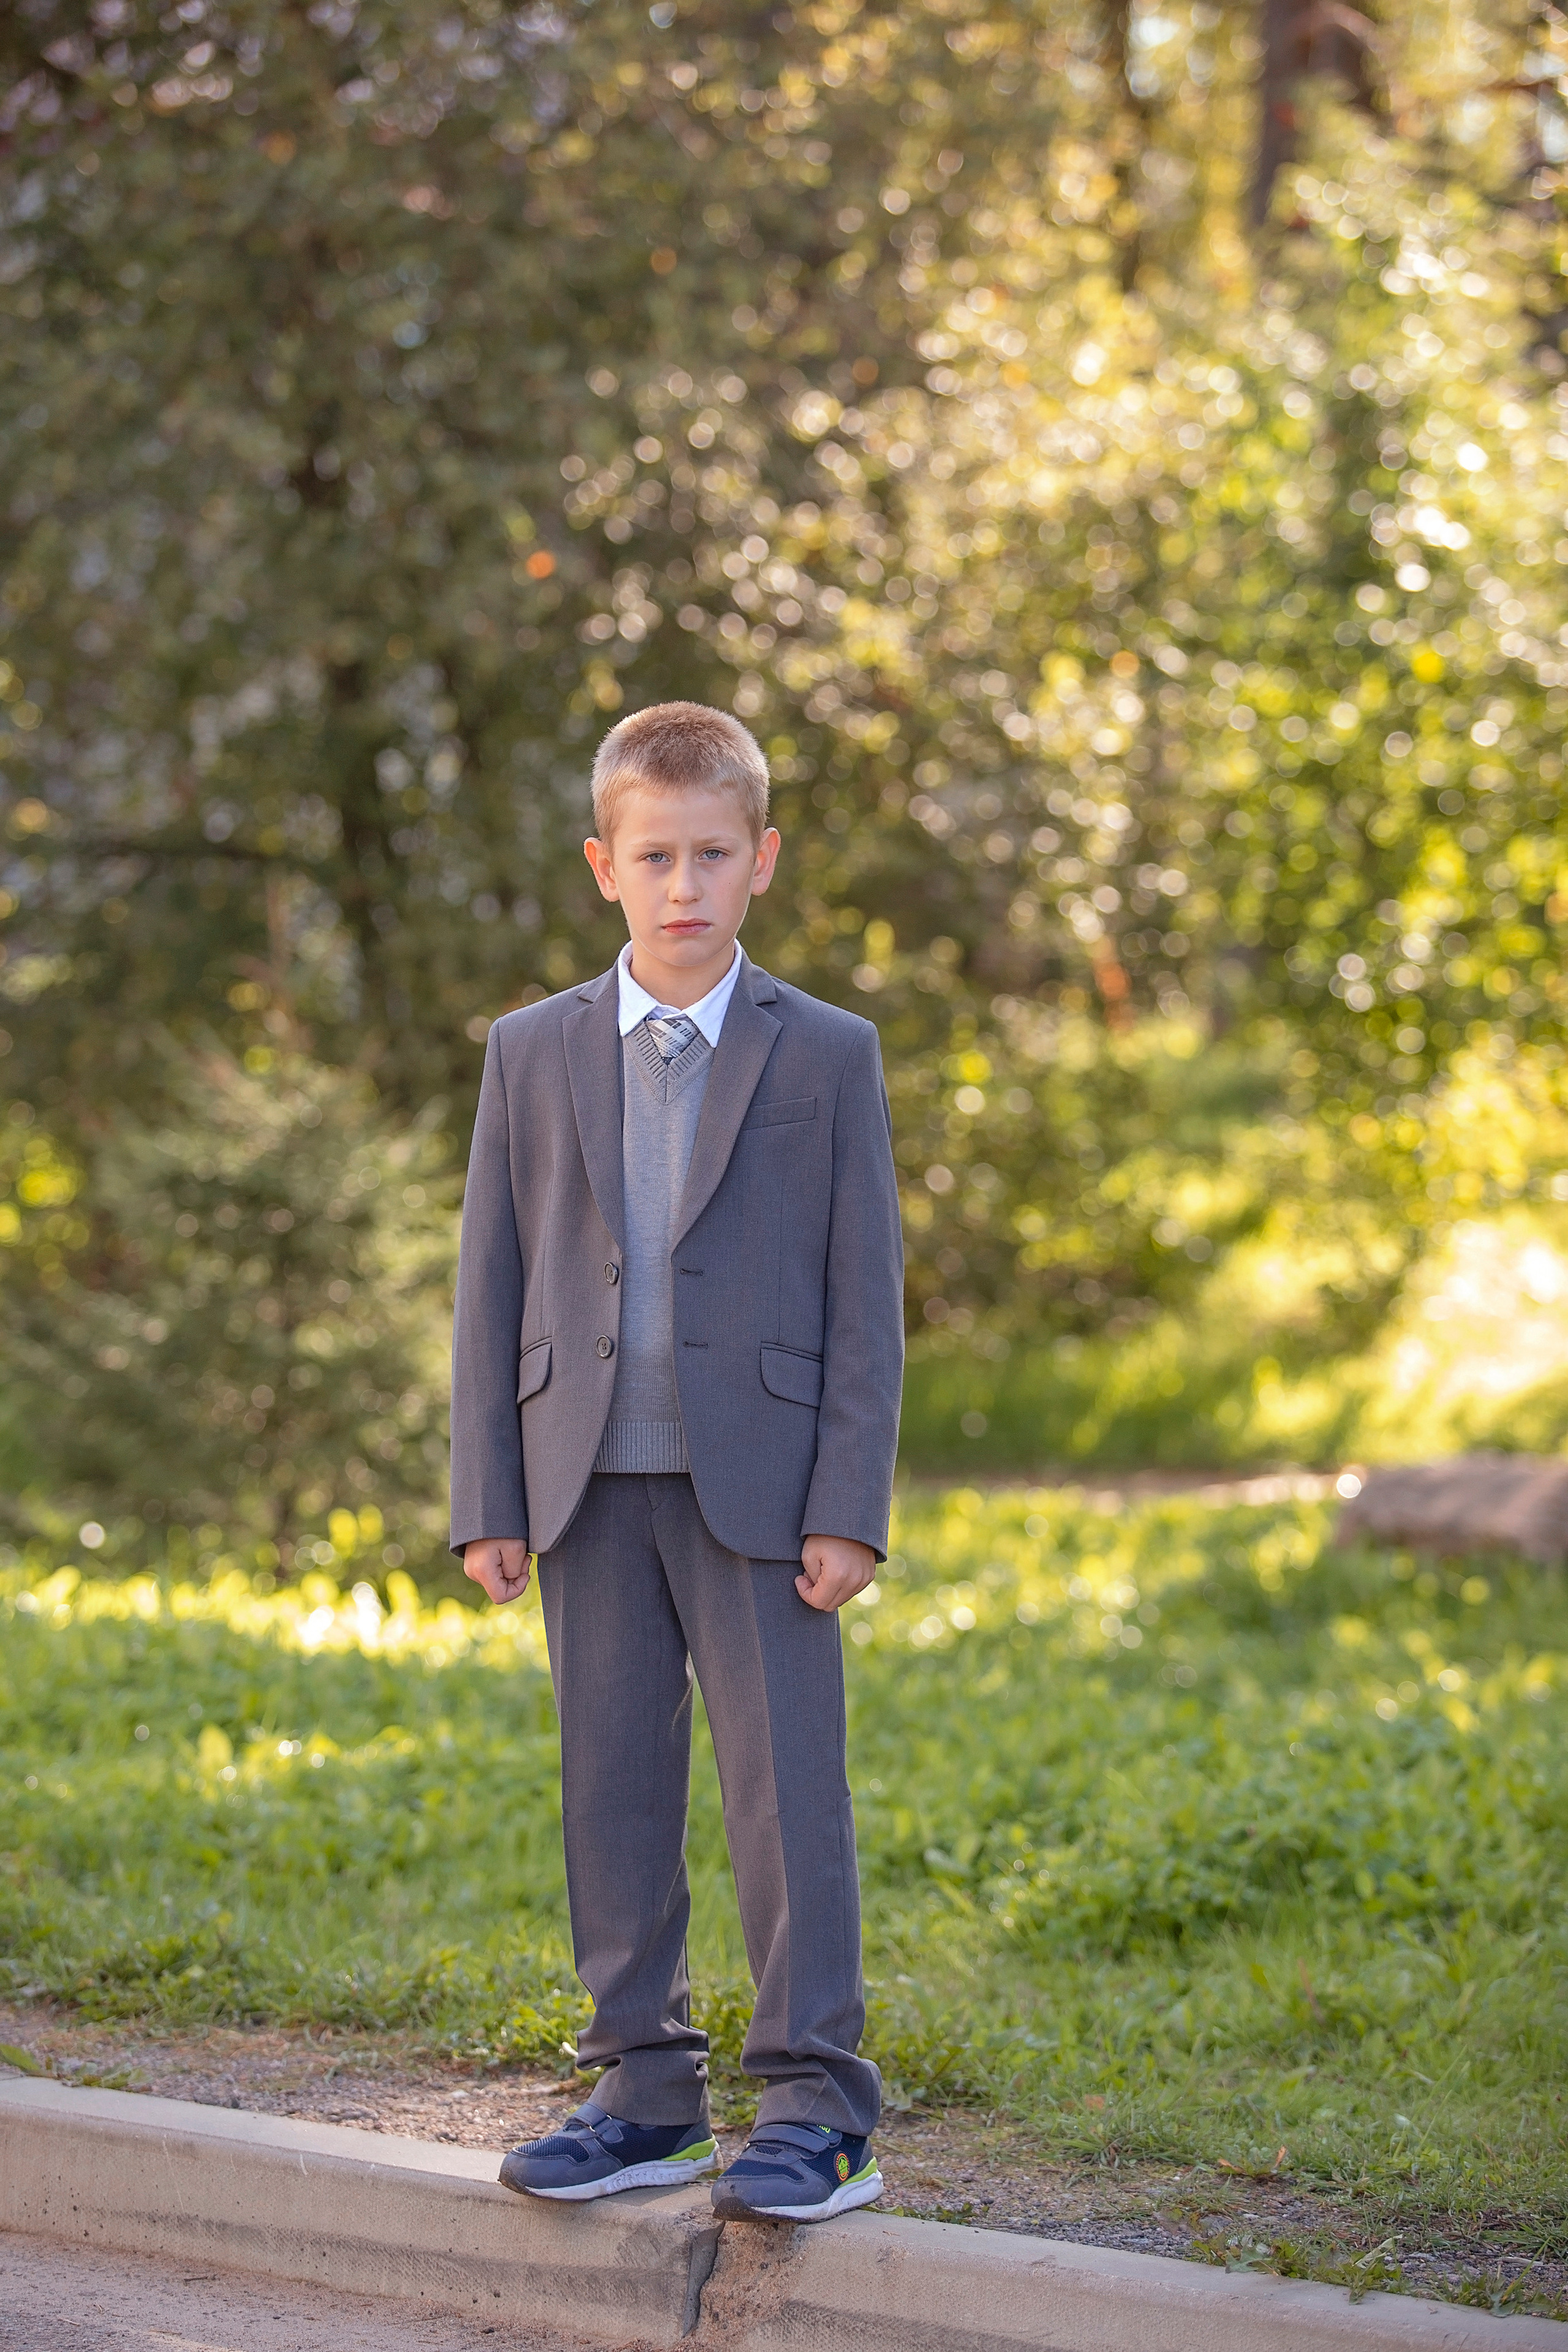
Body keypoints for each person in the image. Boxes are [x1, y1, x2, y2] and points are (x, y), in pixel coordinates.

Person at [450, 701, 903, 2223]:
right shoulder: (530, 1051)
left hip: (766, 1497)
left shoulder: (825, 1054)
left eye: (714, 854)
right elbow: (490, 1284)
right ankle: (643, 2093)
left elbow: (865, 1299)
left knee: (788, 1793)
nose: (685, 884)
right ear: (604, 865)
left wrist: (848, 1507)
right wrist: (487, 1497)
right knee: (613, 1788)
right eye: (656, 856)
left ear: (762, 858)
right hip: (580, 1478)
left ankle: (814, 2107)